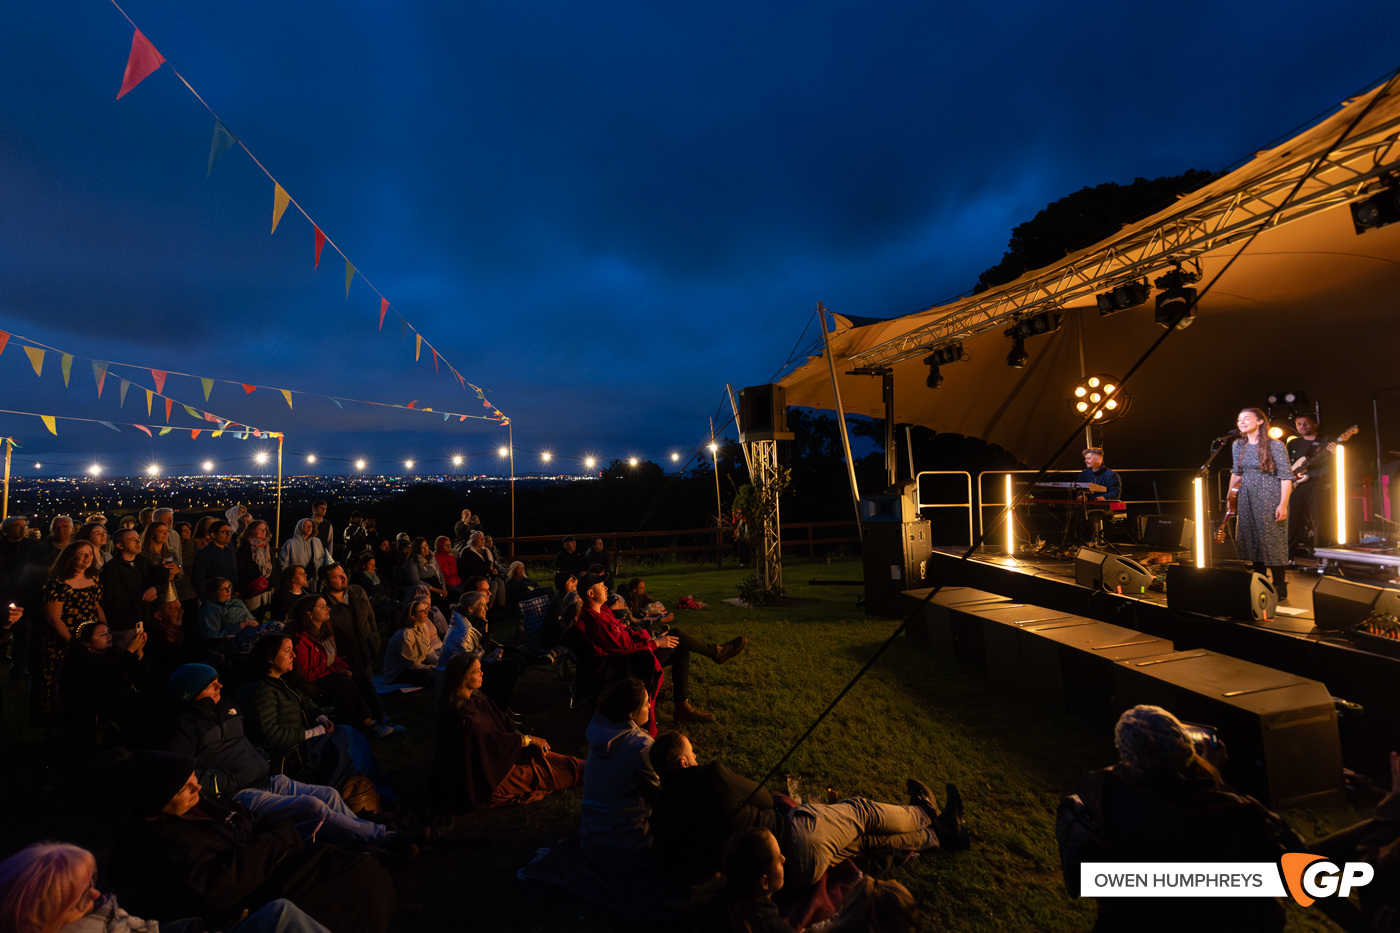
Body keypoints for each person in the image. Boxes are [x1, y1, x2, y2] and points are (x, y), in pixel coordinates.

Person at [1059, 704, 1302, 932]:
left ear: (1127, 753)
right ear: (1185, 748)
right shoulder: (1235, 812)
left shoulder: (1100, 793)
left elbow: (1077, 879)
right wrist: (1216, 779)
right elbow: (1295, 860)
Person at [115, 752, 396, 933]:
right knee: (357, 878)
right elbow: (219, 885)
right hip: (257, 890)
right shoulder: (164, 842)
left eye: (194, 780)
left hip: (275, 859)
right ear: (157, 801)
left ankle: (383, 843)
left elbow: (248, 818)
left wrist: (285, 833)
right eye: (185, 787)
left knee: (355, 860)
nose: (198, 787)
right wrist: (282, 838)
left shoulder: (202, 805)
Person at [650, 731, 967, 889]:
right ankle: (924, 813)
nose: (697, 755)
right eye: (692, 753)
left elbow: (680, 868)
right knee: (861, 812)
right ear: (682, 762)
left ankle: (939, 836)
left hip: (780, 878)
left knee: (865, 842)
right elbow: (763, 797)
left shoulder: (661, 815)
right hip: (794, 841)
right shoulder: (711, 776)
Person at [154, 665, 401, 847]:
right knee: (311, 806)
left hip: (268, 777)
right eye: (211, 685)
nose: (219, 686)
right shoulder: (180, 727)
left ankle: (364, 837)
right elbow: (183, 773)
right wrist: (226, 782)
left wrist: (260, 759)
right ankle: (380, 839)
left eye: (219, 681)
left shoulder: (227, 708)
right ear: (191, 693)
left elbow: (247, 741)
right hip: (239, 793)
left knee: (329, 794)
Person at [0, 841, 335, 933]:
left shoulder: (93, 909)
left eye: (90, 883)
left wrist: (191, 927)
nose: (94, 893)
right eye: (77, 898)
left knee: (280, 911)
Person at [578, 573, 743, 725]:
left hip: (634, 653)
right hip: (626, 664)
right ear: (591, 594)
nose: (606, 587)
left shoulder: (604, 610)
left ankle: (682, 708)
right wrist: (655, 643)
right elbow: (623, 649)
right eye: (601, 585)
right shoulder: (595, 621)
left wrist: (647, 638)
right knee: (677, 636)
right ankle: (715, 653)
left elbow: (625, 631)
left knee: (680, 647)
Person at [430, 652, 583, 813]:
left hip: (505, 758)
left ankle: (587, 767)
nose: (482, 673)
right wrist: (527, 740)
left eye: (480, 668)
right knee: (545, 774)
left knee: (549, 759)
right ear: (462, 677)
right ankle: (591, 773)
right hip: (493, 775)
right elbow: (492, 746)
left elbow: (503, 726)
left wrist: (523, 743)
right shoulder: (463, 716)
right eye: (476, 671)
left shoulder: (477, 698)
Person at [237, 632, 359, 788]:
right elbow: (271, 735)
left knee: (348, 734)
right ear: (270, 657)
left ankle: (361, 787)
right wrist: (314, 732)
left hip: (304, 743)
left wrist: (320, 717)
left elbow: (305, 702)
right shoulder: (261, 691)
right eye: (287, 650)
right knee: (345, 739)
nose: (294, 655)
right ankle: (355, 789)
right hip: (294, 754)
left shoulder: (283, 683)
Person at [286, 593, 394, 738]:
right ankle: (366, 724)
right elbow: (306, 675)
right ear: (309, 614)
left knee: (357, 674)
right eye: (322, 606)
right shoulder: (300, 642)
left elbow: (335, 659)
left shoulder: (326, 633)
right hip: (313, 687)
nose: (328, 609)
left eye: (327, 605)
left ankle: (380, 716)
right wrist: (334, 671)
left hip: (328, 677)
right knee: (342, 682)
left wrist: (342, 669)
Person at [579, 677, 660, 867]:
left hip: (590, 836)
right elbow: (659, 794)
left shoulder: (597, 728)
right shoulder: (641, 746)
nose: (650, 705)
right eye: (646, 702)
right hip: (625, 844)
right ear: (631, 713)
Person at [35, 540, 106, 724]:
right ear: (71, 557)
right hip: (63, 640)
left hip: (89, 636)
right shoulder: (58, 584)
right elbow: (54, 618)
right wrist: (74, 642)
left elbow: (96, 605)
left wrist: (105, 630)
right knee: (61, 681)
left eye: (90, 553)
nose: (87, 557)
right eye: (81, 553)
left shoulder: (94, 581)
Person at [1228, 408, 1293, 599]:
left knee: (1272, 539)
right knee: (1251, 538)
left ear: (1260, 421)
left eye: (1246, 418)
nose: (1242, 422)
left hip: (1269, 494)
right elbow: (1237, 472)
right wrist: (1229, 499)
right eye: (1239, 419)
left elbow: (1286, 477)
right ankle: (1260, 581)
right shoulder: (1238, 445)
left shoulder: (1276, 446)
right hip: (1246, 495)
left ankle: (1280, 584)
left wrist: (1283, 504)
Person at [61, 619, 151, 746]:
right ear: (87, 643)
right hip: (93, 723)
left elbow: (135, 676)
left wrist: (139, 652)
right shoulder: (83, 664)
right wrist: (130, 650)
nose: (109, 636)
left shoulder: (111, 656)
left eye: (108, 632)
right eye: (101, 634)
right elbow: (111, 675)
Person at [695, 828, 793, 933]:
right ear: (764, 882)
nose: (784, 859)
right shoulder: (774, 927)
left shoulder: (712, 908)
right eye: (778, 858)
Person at [437, 590, 521, 711]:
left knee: (514, 657)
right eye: (483, 605)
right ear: (472, 608)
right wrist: (493, 658)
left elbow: (478, 649)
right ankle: (498, 709)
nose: (487, 608)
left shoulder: (470, 622)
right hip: (458, 679)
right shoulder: (463, 632)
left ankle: (500, 707)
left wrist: (493, 652)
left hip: (468, 668)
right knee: (511, 666)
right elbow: (467, 663)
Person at [1287, 412, 1339, 558]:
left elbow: (1337, 461)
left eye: (1306, 423)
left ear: (1315, 424)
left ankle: (1321, 553)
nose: (1302, 427)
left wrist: (1336, 452)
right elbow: (1288, 464)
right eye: (1299, 424)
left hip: (1318, 484)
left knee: (1320, 519)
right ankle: (1290, 553)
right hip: (1297, 485)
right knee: (1293, 519)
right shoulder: (1293, 443)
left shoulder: (1326, 441)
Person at [98, 526, 158, 650]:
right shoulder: (112, 569)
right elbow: (114, 598)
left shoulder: (143, 561)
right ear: (120, 546)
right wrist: (142, 596)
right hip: (126, 625)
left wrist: (154, 588)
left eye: (138, 538)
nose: (138, 542)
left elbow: (157, 578)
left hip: (146, 620)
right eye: (132, 539)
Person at [383, 594, 442, 686]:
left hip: (417, 666)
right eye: (422, 611)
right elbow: (411, 664)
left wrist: (439, 663)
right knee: (431, 675)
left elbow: (428, 651)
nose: (426, 612)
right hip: (400, 673)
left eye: (426, 610)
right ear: (413, 616)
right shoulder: (404, 635)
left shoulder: (423, 627)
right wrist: (432, 668)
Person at [1073, 447, 1122, 544]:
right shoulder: (1083, 474)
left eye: (1089, 458)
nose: (1086, 461)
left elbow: (1116, 493)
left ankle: (1088, 543)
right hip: (1087, 506)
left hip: (1104, 507)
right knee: (1074, 517)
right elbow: (1078, 489)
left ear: (1098, 459)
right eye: (1085, 458)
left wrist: (1104, 497)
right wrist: (1080, 496)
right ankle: (1074, 543)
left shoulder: (1112, 475)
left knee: (1090, 518)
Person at [190, 520, 238, 603]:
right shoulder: (205, 553)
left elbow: (234, 570)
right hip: (214, 597)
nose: (228, 534)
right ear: (213, 535)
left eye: (229, 531)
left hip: (230, 594)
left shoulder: (228, 550)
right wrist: (203, 596)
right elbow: (198, 577)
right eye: (224, 532)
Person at [236, 519, 276, 616]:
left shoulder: (266, 547)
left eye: (265, 529)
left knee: (265, 615)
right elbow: (242, 569)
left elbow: (273, 565)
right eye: (260, 529)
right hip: (252, 590)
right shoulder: (245, 547)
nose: (264, 532)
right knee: (253, 616)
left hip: (266, 590)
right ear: (252, 530)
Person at [280, 520, 328, 594]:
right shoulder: (290, 543)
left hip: (313, 578)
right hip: (296, 580)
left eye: (311, 526)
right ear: (299, 527)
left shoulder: (317, 542)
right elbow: (282, 562)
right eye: (306, 526)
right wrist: (291, 576)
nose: (309, 528)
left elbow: (322, 558)